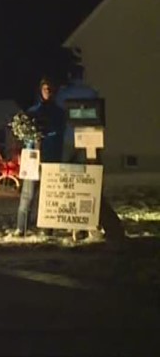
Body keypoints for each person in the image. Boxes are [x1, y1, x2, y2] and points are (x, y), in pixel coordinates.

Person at [55, 61, 125, 242]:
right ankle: (91, 224)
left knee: (70, 182)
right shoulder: (91, 92)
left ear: (70, 76)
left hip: (70, 141)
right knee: (91, 181)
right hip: (90, 141)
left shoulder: (64, 94)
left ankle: (77, 226)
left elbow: (58, 109)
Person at [17, 77, 65, 234]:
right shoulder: (32, 112)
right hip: (33, 159)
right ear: (40, 91)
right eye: (45, 89)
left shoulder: (59, 113)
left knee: (48, 196)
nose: (48, 92)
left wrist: (46, 133)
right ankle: (21, 228)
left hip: (50, 158)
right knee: (27, 195)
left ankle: (47, 229)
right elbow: (25, 135)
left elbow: (59, 133)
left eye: (50, 89)